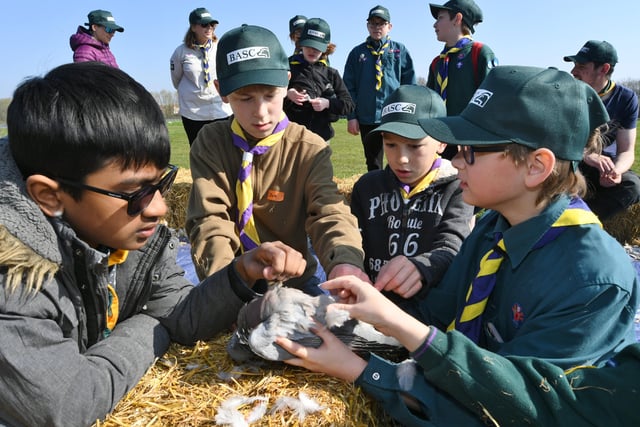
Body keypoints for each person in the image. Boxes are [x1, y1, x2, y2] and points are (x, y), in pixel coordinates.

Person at [276, 66, 639, 426]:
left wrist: (362, 370)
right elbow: (436, 314)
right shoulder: (493, 229)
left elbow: (514, 408)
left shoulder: (591, 279)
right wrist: (360, 321)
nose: (453, 161)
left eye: (470, 150)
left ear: (536, 166)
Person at [0, 62, 308, 426]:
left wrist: (239, 275)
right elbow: (69, 403)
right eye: (134, 193)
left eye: (161, 184)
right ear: (48, 196)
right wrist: (151, 322)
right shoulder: (15, 277)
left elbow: (180, 314)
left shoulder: (128, 234)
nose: (160, 208)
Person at [186, 24, 368, 296]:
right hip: (231, 279)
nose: (261, 113)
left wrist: (344, 262)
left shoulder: (308, 148)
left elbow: (329, 212)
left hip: (294, 283)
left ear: (287, 81)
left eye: (270, 95)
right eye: (245, 98)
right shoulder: (211, 143)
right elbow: (209, 219)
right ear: (221, 90)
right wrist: (226, 287)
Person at [350, 85, 473, 314]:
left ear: (441, 142)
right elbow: (352, 239)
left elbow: (453, 243)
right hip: (372, 306)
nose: (402, 159)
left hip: (429, 315)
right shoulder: (367, 186)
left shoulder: (458, 187)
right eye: (391, 145)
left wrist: (423, 267)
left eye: (415, 146)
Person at [564, 40, 640, 220]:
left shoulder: (626, 98)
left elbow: (627, 150)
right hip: (571, 160)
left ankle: (583, 222)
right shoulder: (566, 92)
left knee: (633, 186)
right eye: (574, 65)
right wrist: (586, 155)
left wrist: (616, 171)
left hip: (601, 166)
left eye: (581, 66)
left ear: (604, 69)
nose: (573, 71)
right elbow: (554, 141)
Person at [343, 5, 416, 171]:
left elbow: (409, 85)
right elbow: (348, 87)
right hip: (367, 116)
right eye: (373, 23)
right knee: (373, 161)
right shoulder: (357, 53)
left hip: (394, 115)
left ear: (389, 27)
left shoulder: (399, 50)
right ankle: (377, 193)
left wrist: (408, 115)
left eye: (381, 24)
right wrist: (351, 116)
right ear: (367, 26)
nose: (377, 27)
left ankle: (398, 192)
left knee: (399, 159)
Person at [427, 0, 497, 159]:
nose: (435, 24)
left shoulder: (479, 52)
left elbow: (490, 101)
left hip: (470, 140)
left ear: (457, 19)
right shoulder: (437, 62)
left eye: (440, 18)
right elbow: (430, 103)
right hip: (441, 139)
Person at [284, 18, 354, 142]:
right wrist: (288, 94)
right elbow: (271, 96)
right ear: (301, 43)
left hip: (321, 139)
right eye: (309, 45)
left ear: (325, 48)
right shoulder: (287, 67)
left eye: (317, 47)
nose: (312, 50)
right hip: (291, 137)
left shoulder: (331, 73)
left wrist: (327, 103)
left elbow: (349, 105)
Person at [170, 7, 232, 146]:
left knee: (225, 152)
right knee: (199, 154)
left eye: (212, 24)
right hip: (193, 113)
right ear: (193, 27)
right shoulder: (180, 52)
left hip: (220, 110)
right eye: (204, 24)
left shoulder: (221, 47)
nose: (209, 28)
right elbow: (176, 80)